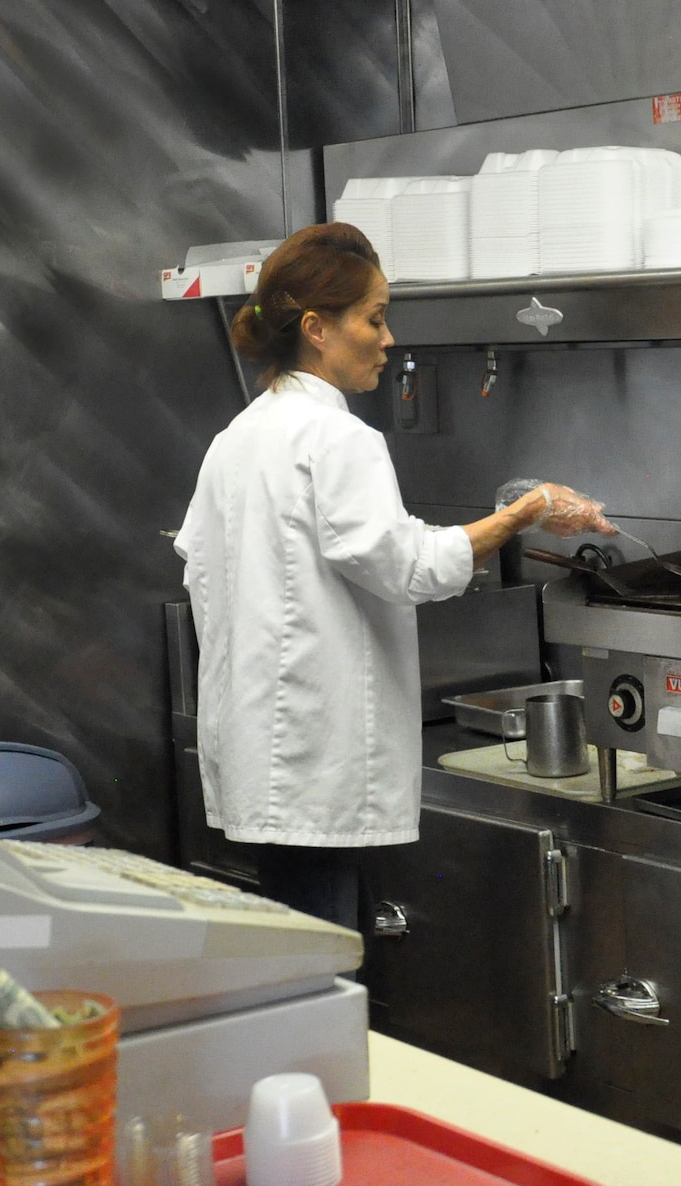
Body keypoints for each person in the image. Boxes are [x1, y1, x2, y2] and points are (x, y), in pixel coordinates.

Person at [174, 223, 614, 928]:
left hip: (261, 747)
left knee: (301, 963)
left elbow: (200, 562)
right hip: (315, 757)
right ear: (317, 328)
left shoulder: (239, 436)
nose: (388, 338)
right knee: (323, 976)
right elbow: (407, 566)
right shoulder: (339, 438)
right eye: (375, 318)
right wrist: (527, 511)